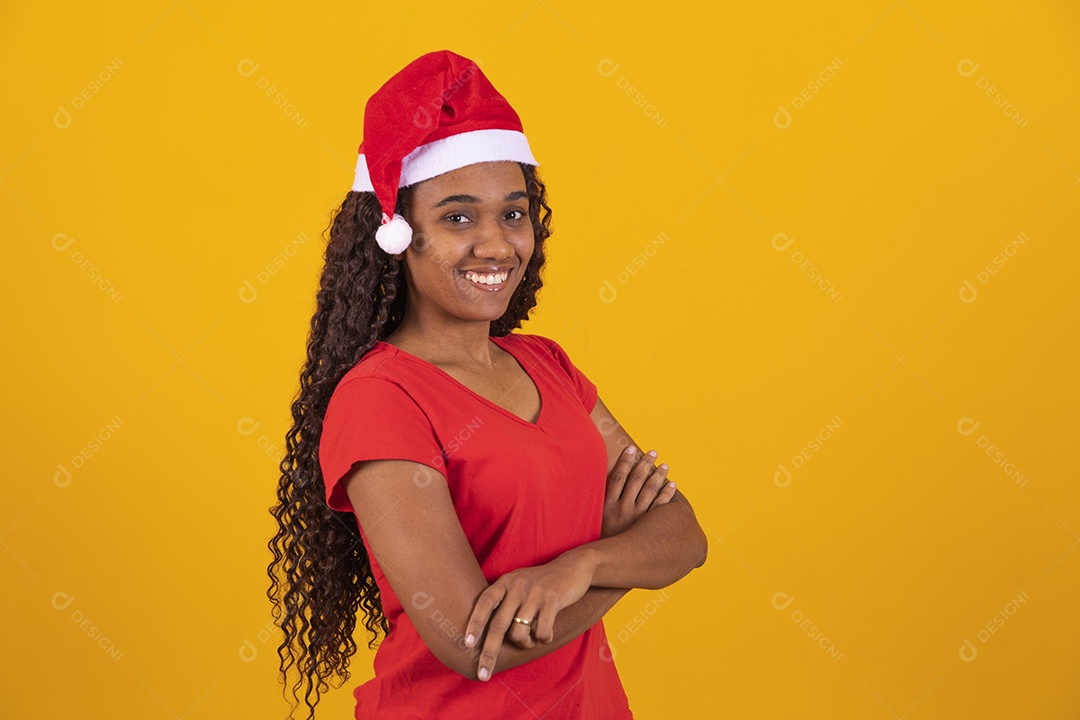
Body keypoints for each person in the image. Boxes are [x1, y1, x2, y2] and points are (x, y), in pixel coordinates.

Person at [267, 49, 708, 720]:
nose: (498, 245)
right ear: (398, 236)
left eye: (513, 213)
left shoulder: (548, 366)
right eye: (457, 217)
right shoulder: (380, 400)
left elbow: (683, 535)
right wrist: (621, 558)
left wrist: (580, 566)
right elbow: (470, 642)